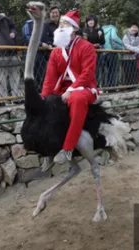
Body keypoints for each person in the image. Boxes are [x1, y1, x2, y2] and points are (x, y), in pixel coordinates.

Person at [40, 10, 99, 164]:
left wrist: (71, 90)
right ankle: (50, 149)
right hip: (61, 89)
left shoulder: (87, 47)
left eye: (64, 24)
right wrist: (43, 97)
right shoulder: (56, 52)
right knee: (47, 103)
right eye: (59, 24)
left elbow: (88, 74)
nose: (60, 27)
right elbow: (50, 78)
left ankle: (68, 147)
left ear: (74, 29)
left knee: (77, 99)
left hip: (84, 87)